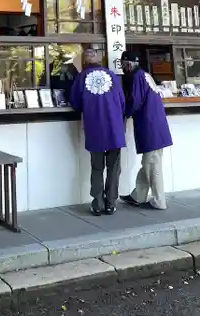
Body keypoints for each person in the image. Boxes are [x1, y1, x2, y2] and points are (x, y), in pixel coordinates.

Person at [70, 48, 126, 216]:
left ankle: (98, 204)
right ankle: (111, 202)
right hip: (114, 128)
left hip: (95, 128)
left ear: (85, 61)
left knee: (97, 167)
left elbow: (75, 102)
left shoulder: (81, 77)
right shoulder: (112, 76)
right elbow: (122, 101)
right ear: (99, 60)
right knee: (114, 167)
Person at [120, 51, 173, 210]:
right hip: (157, 125)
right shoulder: (145, 75)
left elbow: (135, 100)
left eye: (123, 65)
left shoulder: (136, 77)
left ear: (128, 64)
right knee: (149, 163)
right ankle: (139, 196)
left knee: (152, 166)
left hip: (149, 126)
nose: (123, 69)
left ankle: (159, 201)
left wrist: (125, 114)